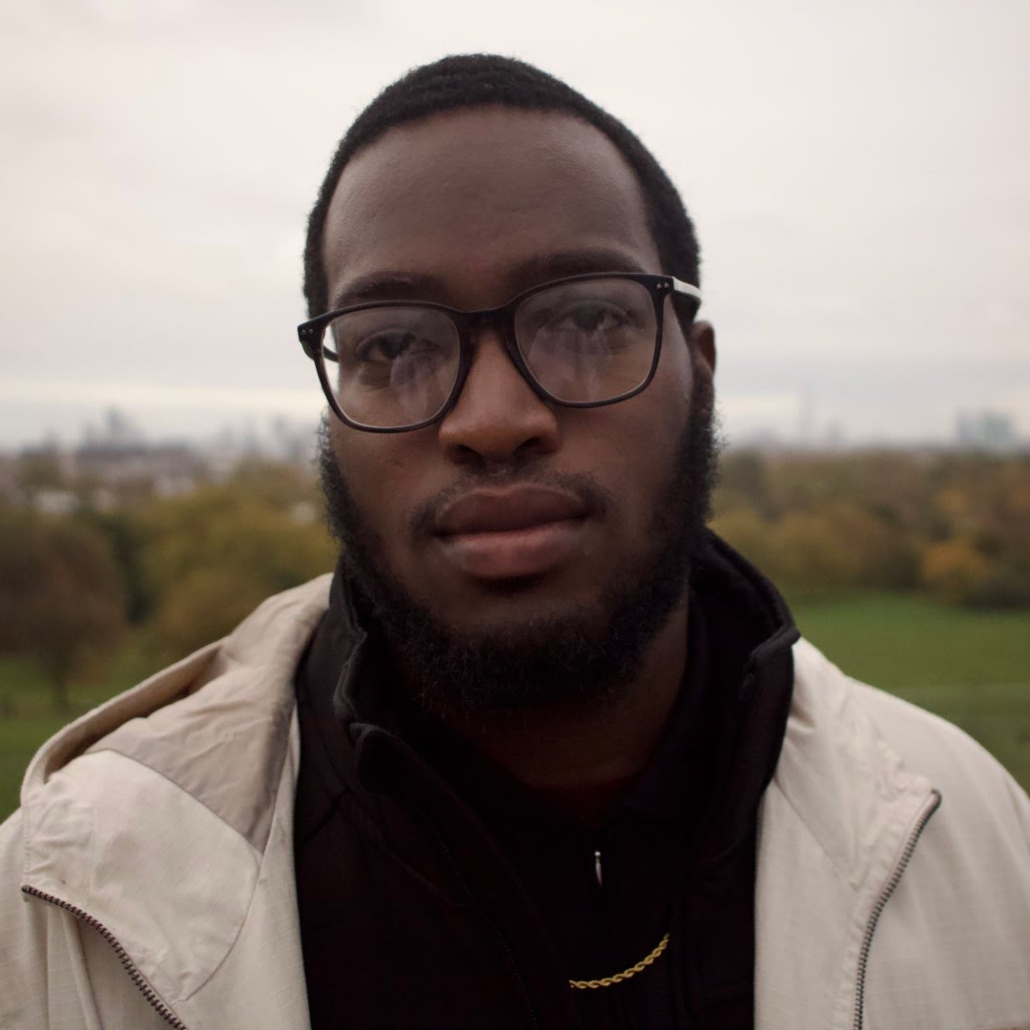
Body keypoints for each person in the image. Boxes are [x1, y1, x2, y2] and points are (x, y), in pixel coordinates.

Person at [1, 54, 1029, 1030]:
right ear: (333, 402)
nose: (490, 418)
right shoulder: (65, 905)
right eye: (394, 345)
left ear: (699, 368)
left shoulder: (974, 834)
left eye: (585, 321)